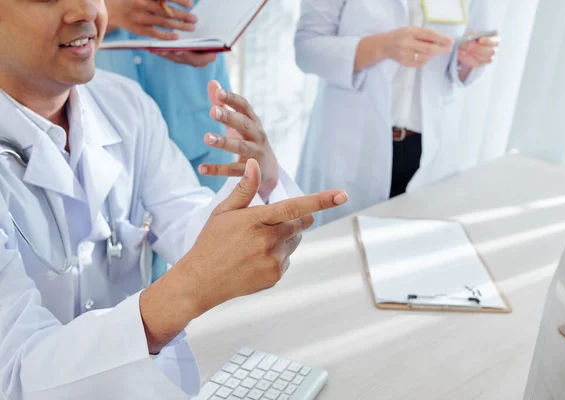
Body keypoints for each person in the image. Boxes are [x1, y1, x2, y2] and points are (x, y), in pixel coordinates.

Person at [0, 0, 347, 399]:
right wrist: (183, 292)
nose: (84, 11)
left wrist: (261, 183)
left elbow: (187, 223)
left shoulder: (124, 104)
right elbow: (15, 376)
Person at [295, 0, 498, 226]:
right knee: (335, 250)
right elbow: (307, 49)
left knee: (411, 249)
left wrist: (471, 59)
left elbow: (465, 58)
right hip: (350, 145)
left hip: (426, 149)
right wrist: (383, 46)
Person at [95, 0, 234, 280]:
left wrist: (214, 30)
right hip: (105, 112)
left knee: (216, 255)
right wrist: (105, 10)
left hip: (193, 106)